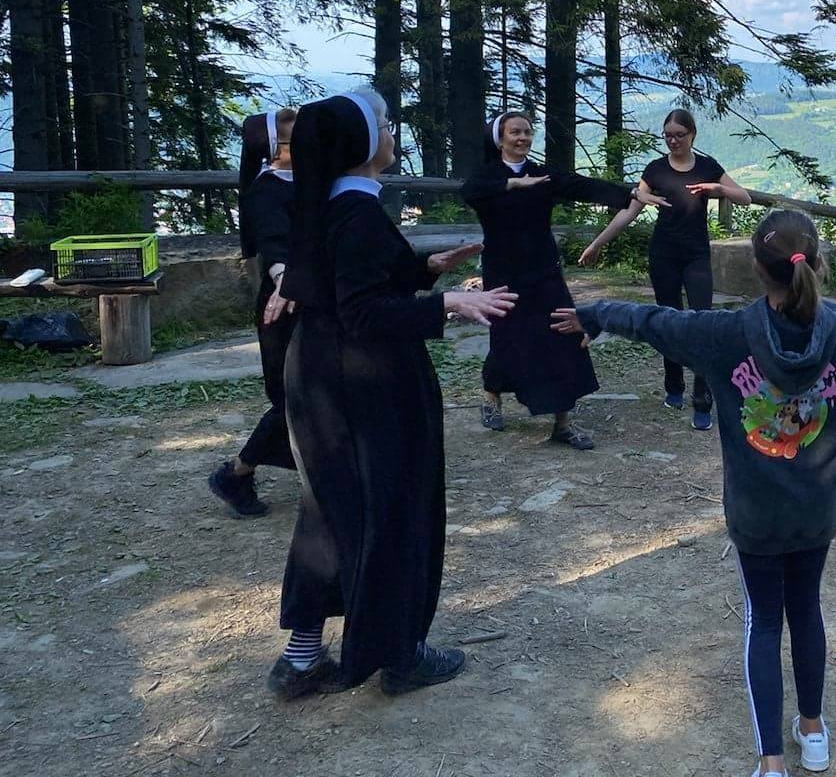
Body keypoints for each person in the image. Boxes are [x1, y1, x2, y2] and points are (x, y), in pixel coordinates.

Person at [552, 209, 836, 777]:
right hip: (817, 511)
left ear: (756, 266)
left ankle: (771, 763)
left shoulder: (724, 335)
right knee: (807, 609)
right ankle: (813, 731)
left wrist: (596, 313)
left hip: (755, 514)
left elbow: (655, 321)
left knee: (764, 620)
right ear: (817, 264)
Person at [272, 90, 515, 700]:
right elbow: (361, 311)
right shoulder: (355, 213)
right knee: (392, 511)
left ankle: (301, 658)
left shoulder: (332, 203)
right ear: (358, 143)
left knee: (331, 511)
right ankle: (399, 655)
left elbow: (351, 282)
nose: (390, 130)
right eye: (381, 123)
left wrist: (427, 269)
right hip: (363, 383)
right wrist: (448, 303)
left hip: (324, 375)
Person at [463, 110, 658, 449]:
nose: (523, 138)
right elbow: (470, 191)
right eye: (515, 132)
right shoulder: (488, 176)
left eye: (527, 132)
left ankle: (563, 423)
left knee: (564, 330)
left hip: (543, 269)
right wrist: (512, 183)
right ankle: (492, 395)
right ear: (500, 138)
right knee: (508, 336)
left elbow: (580, 185)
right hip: (504, 270)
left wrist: (630, 193)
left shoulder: (542, 174)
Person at [579, 108, 752, 430]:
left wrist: (719, 190)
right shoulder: (656, 170)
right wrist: (598, 243)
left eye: (679, 135)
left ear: (692, 135)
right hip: (663, 255)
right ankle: (674, 386)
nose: (673, 141)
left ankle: (703, 398)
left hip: (697, 255)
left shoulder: (708, 166)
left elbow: (744, 198)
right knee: (667, 321)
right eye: (668, 136)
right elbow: (629, 210)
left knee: (702, 323)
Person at [209, 109, 299, 518]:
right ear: (276, 148)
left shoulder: (310, 180)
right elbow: (274, 245)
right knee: (293, 397)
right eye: (297, 138)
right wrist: (284, 280)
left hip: (311, 294)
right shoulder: (265, 189)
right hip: (284, 302)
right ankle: (236, 472)